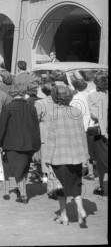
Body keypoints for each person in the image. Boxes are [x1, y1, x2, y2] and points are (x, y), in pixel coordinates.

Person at [42, 84, 89, 227]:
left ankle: (64, 216)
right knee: (76, 183)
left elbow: (50, 139)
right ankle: (81, 209)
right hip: (76, 154)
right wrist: (85, 156)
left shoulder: (51, 114)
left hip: (59, 155)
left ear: (55, 97)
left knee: (60, 187)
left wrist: (46, 160)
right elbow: (82, 134)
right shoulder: (77, 112)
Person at [0, 84, 41, 204]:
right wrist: (37, 144)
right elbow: (35, 127)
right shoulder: (31, 107)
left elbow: (2, 127)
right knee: (24, 168)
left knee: (18, 170)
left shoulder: (8, 107)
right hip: (29, 142)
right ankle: (23, 191)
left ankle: (23, 194)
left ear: (11, 93)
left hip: (12, 143)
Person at [87, 71, 108, 197]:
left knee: (101, 161)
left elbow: (96, 115)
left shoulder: (93, 96)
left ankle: (100, 186)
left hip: (101, 131)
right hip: (104, 129)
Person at [71, 78, 96, 182]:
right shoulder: (89, 95)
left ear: (75, 87)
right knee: (89, 150)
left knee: (80, 151)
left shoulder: (75, 98)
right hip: (92, 125)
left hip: (81, 126)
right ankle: (90, 172)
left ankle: (80, 172)